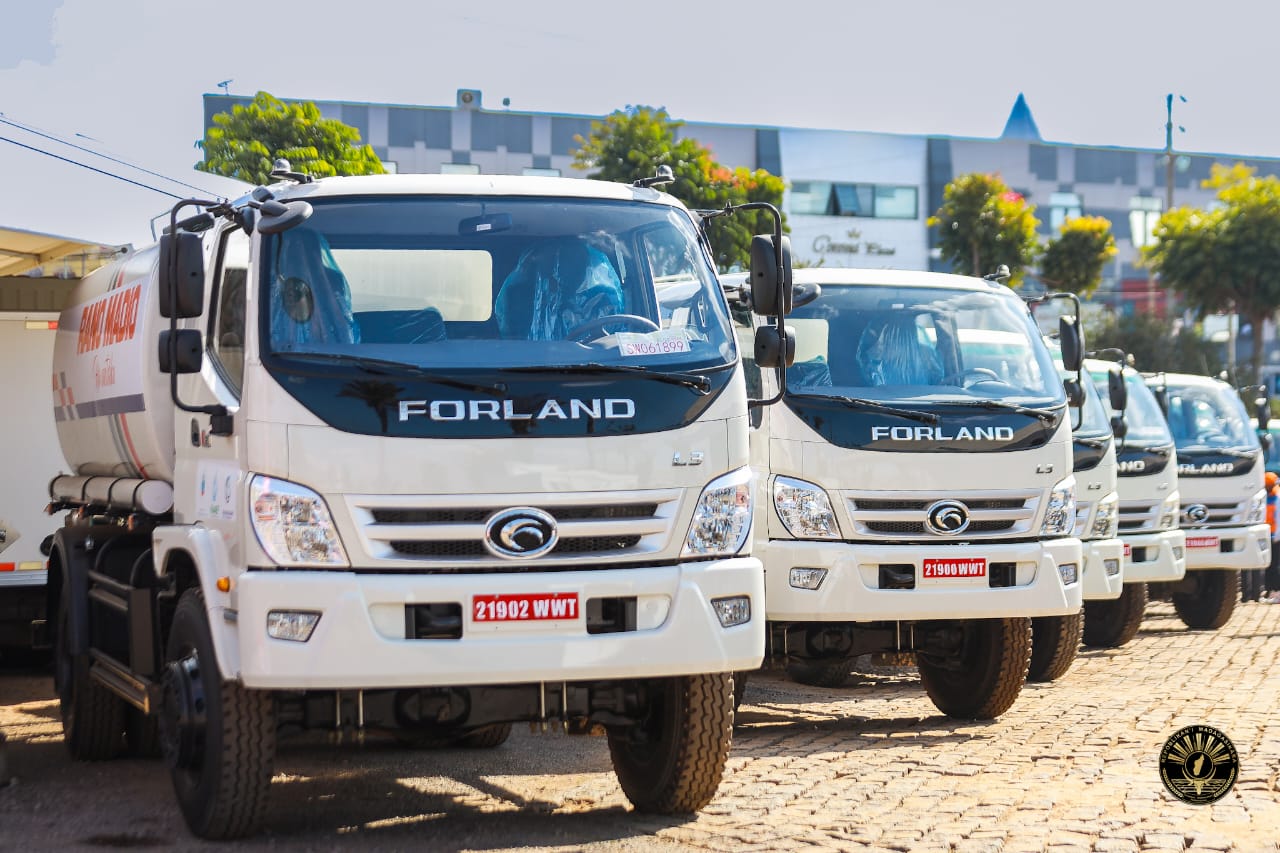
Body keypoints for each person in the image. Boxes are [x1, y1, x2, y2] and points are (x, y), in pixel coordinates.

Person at [1264, 471, 1280, 603]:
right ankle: (1271, 591)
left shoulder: (1276, 497)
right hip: (1270, 536)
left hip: (1275, 537)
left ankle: (1275, 592)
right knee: (1271, 565)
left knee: (1274, 565)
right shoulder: (1270, 496)